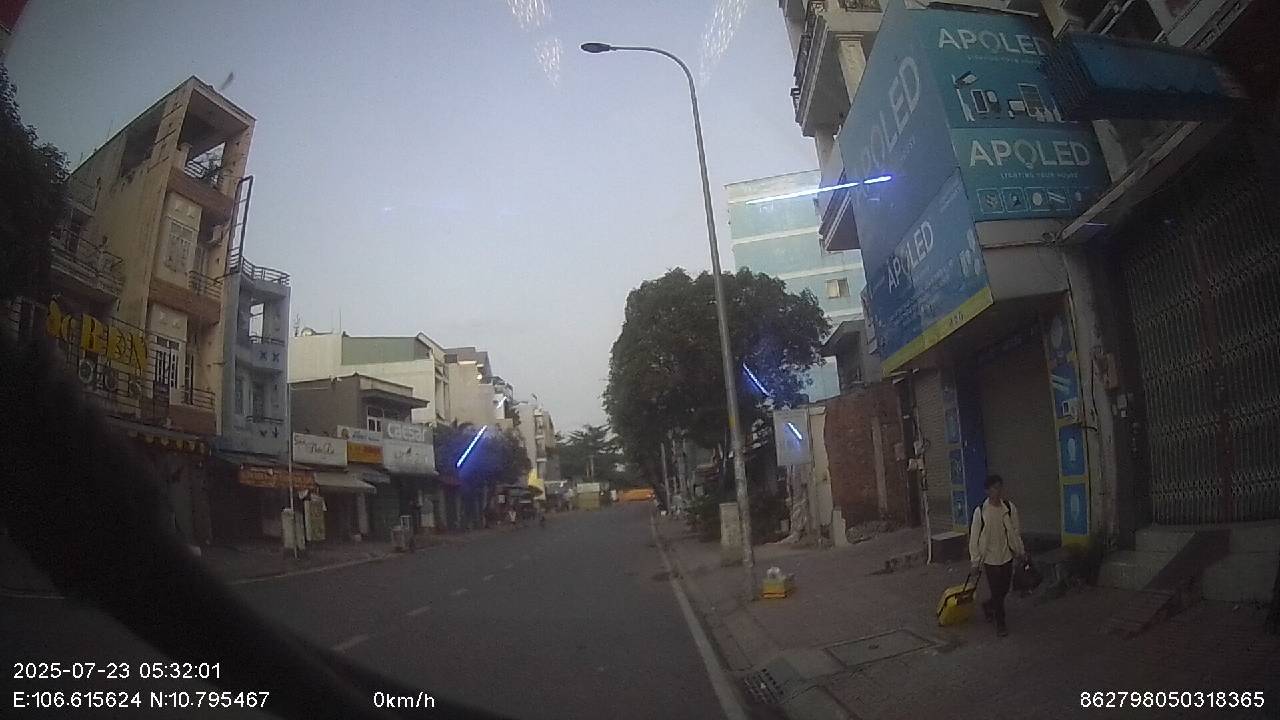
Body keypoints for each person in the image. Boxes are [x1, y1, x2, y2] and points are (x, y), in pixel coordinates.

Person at [968, 474, 1028, 637]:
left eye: (1000, 487)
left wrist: (1020, 551)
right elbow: (974, 537)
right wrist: (975, 561)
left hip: (1006, 555)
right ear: (987, 491)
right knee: (996, 590)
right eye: (994, 488)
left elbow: (1015, 532)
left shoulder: (1008, 508)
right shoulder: (981, 512)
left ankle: (989, 606)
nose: (998, 491)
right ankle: (1001, 623)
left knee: (1004, 588)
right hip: (989, 558)